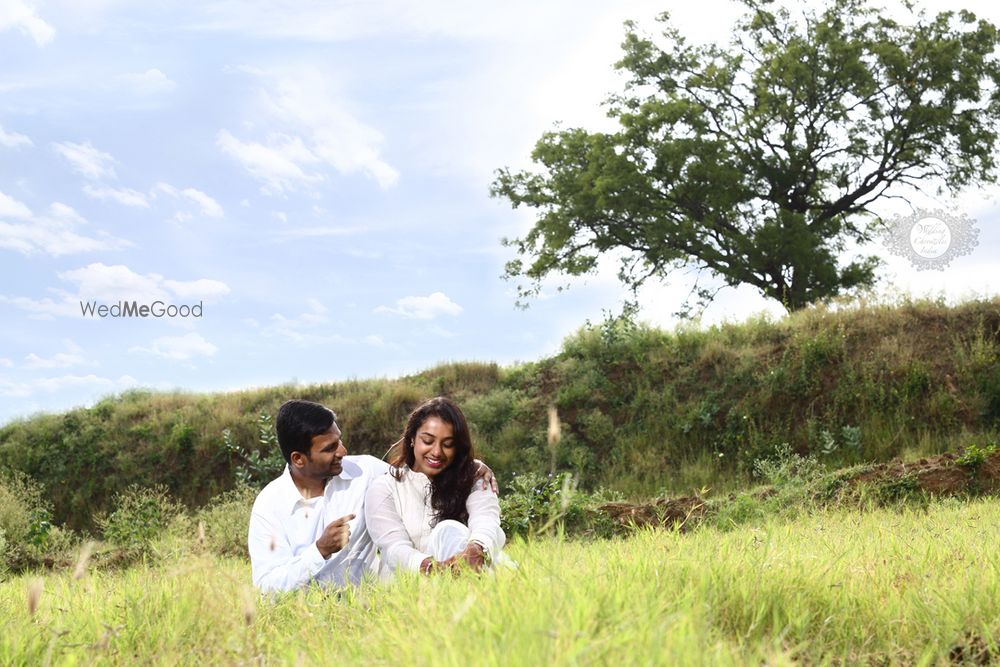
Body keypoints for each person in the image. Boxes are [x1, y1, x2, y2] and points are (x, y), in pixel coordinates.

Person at [248, 399, 496, 592]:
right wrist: (320, 550)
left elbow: (415, 473)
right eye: (330, 448)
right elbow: (267, 588)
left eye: (340, 441)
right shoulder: (270, 506)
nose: (343, 451)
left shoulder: (364, 471)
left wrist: (472, 466)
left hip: (368, 607)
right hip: (306, 617)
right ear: (298, 459)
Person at [365, 396, 507, 578]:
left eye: (448, 444)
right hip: (407, 587)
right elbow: (394, 548)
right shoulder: (385, 487)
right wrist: (434, 569)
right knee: (445, 531)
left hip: (468, 576)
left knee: (448, 531)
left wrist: (476, 549)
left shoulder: (474, 477)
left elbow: (486, 519)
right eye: (428, 441)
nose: (437, 452)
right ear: (412, 439)